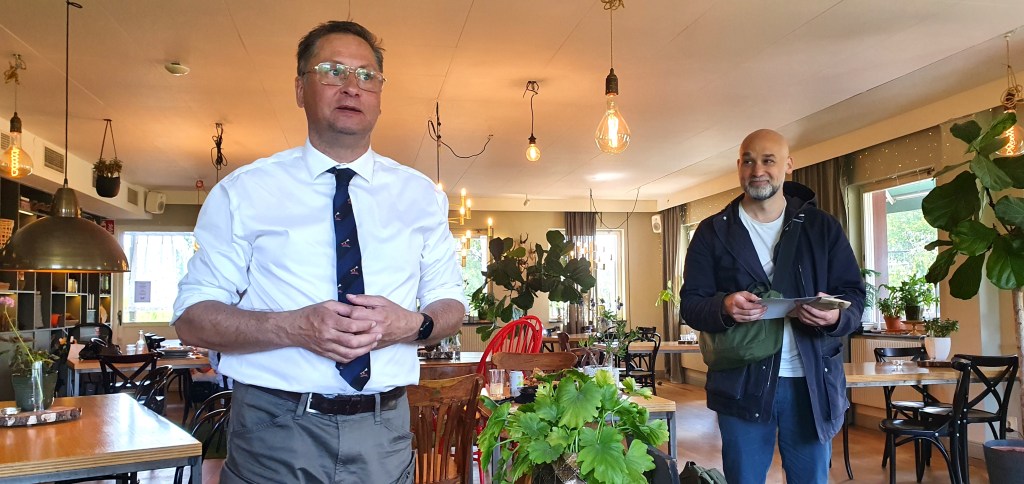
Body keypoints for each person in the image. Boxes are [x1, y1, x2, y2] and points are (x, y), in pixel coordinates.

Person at [172, 20, 466, 483]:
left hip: (385, 432)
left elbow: (451, 302)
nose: (352, 86)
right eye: (333, 71)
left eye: (367, 75)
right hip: (273, 430)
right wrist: (293, 327)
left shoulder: (421, 196)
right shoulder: (243, 192)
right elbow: (191, 317)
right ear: (299, 89)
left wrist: (413, 325)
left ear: (380, 94)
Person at [679, 129, 864, 484]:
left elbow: (854, 296)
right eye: (748, 161)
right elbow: (691, 304)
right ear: (738, 166)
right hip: (741, 383)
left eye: (768, 160)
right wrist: (724, 307)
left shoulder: (822, 228)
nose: (757, 170)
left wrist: (834, 316)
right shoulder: (712, 232)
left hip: (811, 386)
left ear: (788, 165)